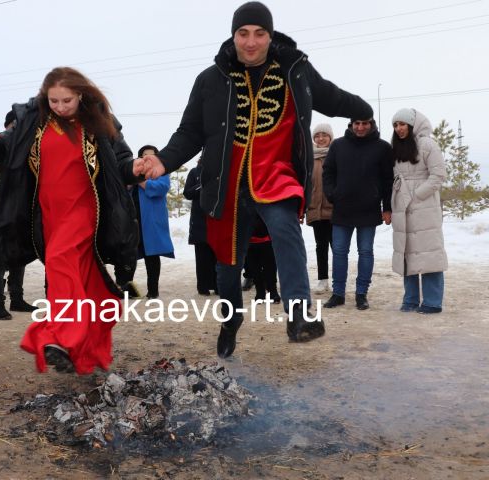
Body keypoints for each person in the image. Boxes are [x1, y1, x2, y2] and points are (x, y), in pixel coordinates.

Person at [139, 2, 373, 357]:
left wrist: (361, 109)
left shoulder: (295, 69)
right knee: (228, 268)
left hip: (276, 176)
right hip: (227, 187)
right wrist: (164, 162)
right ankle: (231, 320)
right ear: (233, 36)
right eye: (243, 34)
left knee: (285, 228)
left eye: (259, 33)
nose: (250, 42)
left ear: (269, 35)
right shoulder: (210, 80)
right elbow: (190, 131)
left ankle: (299, 313)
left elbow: (328, 94)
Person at [0, 67, 142, 374]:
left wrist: (136, 168)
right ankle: (85, 353)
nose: (61, 107)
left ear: (81, 94)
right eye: (54, 101)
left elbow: (121, 163)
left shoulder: (99, 123)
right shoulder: (32, 120)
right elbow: (8, 149)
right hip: (47, 214)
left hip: (84, 210)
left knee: (61, 259)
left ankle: (58, 337)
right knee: (85, 282)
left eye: (67, 100)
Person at [322, 117, 393, 311]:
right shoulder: (338, 145)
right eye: (357, 123)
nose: (360, 127)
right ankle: (338, 294)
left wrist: (387, 207)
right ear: (351, 125)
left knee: (365, 252)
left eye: (365, 124)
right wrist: (332, 194)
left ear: (372, 125)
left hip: (369, 210)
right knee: (339, 252)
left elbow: (388, 180)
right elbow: (328, 172)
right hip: (342, 209)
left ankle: (361, 294)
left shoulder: (382, 147)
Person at [390, 108, 447, 314]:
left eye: (402, 124)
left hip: (424, 206)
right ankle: (411, 299)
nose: (399, 129)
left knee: (429, 252)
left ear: (412, 124)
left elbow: (438, 175)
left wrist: (417, 195)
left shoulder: (428, 144)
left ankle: (432, 301)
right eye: (396, 125)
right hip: (401, 204)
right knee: (407, 250)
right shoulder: (395, 147)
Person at [0, 111, 35, 319]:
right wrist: (1, 208)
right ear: (7, 126)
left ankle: (17, 298)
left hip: (20, 211)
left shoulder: (25, 148)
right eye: (15, 125)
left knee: (18, 255)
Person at [116, 145, 174, 299]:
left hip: (151, 221)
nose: (147, 157)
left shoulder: (161, 171)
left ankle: (153, 291)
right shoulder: (134, 172)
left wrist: (140, 181)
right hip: (132, 219)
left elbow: (161, 188)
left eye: (151, 154)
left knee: (152, 255)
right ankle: (126, 288)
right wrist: (130, 182)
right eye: (144, 155)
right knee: (128, 254)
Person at [306, 123, 334, 293]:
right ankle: (323, 280)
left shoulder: (337, 155)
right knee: (320, 246)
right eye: (317, 135)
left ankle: (339, 280)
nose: (321, 138)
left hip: (334, 211)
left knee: (337, 248)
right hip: (315, 210)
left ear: (330, 137)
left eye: (324, 135)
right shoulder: (309, 159)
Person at [183, 159, 217, 296]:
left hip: (217, 218)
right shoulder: (194, 172)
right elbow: (187, 193)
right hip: (199, 220)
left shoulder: (220, 171)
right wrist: (202, 186)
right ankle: (203, 287)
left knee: (217, 255)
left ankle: (218, 285)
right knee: (202, 256)